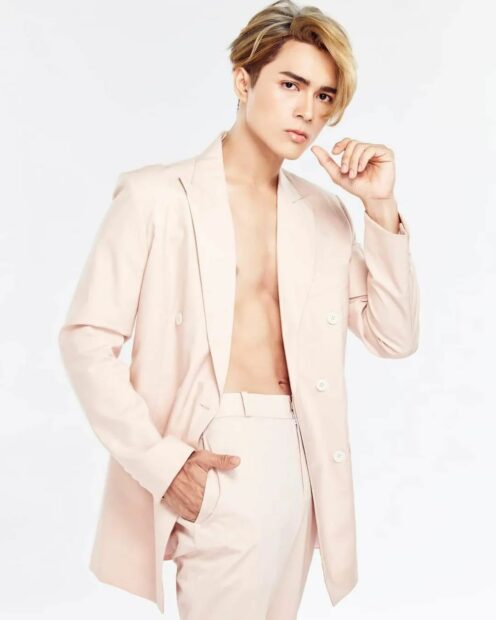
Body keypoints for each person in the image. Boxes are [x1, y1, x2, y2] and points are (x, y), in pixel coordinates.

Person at [58, 1, 420, 617]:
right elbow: (86, 339)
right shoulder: (157, 196)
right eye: (291, 85)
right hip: (219, 449)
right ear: (243, 81)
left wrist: (379, 210)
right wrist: (162, 463)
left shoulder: (323, 213)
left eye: (324, 96)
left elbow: (395, 335)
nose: (308, 111)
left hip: (304, 456)